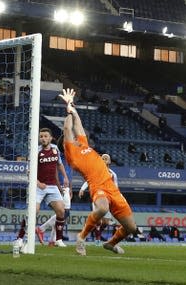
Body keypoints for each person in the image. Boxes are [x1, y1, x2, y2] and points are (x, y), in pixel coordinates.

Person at [57, 88, 141, 255]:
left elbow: (78, 125)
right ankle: (81, 238)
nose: (75, 136)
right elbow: (67, 129)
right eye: (71, 138)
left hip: (112, 188)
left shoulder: (83, 145)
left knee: (131, 228)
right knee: (102, 209)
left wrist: (73, 107)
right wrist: (68, 108)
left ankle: (111, 243)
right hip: (97, 185)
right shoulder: (71, 153)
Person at [78, 153, 118, 244]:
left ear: (109, 161)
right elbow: (89, 181)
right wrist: (82, 189)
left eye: (106, 158)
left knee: (106, 222)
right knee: (98, 220)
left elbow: (116, 187)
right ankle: (97, 239)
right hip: (98, 197)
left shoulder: (113, 174)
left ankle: (94, 231)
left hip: (108, 199)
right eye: (102, 158)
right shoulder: (96, 172)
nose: (104, 159)